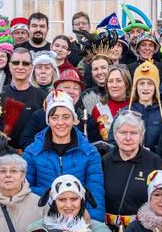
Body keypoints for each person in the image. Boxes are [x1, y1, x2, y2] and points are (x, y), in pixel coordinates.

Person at [24, 91, 106, 221]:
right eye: (55, 117)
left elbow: (95, 191)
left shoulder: (89, 152)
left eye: (66, 117)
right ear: (48, 121)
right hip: (43, 218)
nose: (60, 122)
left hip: (79, 220)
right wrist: (52, 195)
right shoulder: (32, 152)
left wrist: (94, 223)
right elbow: (25, 189)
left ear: (74, 119)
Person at [101, 111, 162, 232]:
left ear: (142, 136)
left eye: (134, 133)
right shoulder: (105, 161)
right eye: (123, 132)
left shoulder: (154, 161)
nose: (128, 138)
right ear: (115, 135)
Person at [1, 47, 47, 144]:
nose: (20, 67)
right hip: (1, 152)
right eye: (16, 63)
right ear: (9, 66)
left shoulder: (42, 96)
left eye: (25, 63)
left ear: (31, 67)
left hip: (32, 152)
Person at [126, 60, 162, 150]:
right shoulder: (124, 113)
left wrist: (151, 153)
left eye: (150, 83)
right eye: (141, 83)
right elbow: (113, 143)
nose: (145, 88)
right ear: (135, 87)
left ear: (156, 87)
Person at [89, 65, 132, 143]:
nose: (114, 85)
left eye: (118, 81)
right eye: (110, 81)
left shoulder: (135, 105)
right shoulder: (98, 109)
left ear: (126, 83)